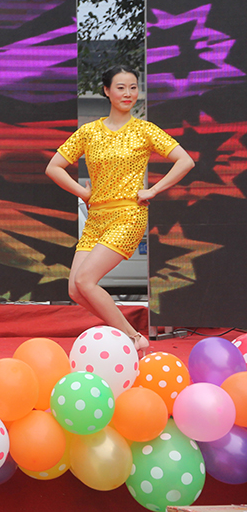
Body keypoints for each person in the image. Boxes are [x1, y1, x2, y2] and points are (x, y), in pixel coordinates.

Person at [46, 66, 194, 353]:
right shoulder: (89, 132)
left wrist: (153, 190)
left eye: (133, 87)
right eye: (121, 87)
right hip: (96, 218)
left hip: (128, 215)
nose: (128, 93)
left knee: (86, 280)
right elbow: (53, 167)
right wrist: (84, 193)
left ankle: (133, 338)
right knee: (75, 289)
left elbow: (185, 161)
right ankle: (128, 334)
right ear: (106, 91)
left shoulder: (144, 130)